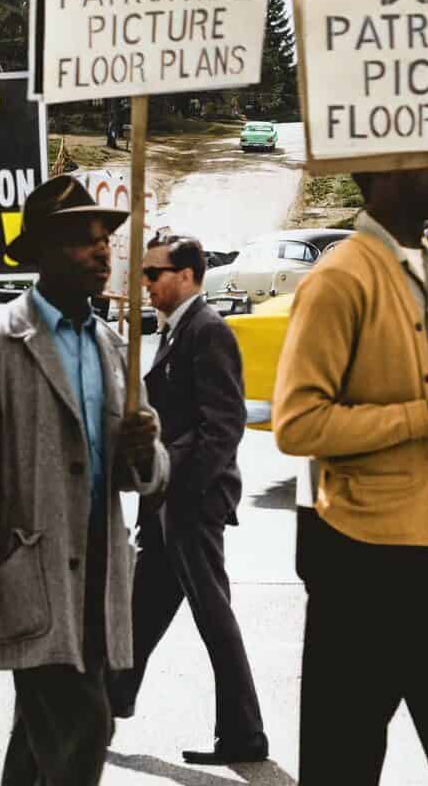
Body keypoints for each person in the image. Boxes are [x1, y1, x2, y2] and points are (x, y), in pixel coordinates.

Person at [272, 166, 428, 785]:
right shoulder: (340, 278)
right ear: (379, 174)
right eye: (424, 157)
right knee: (341, 767)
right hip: (358, 566)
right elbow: (298, 425)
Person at [0, 173, 167, 785]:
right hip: (30, 576)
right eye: (82, 241)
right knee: (83, 729)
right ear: (41, 254)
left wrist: (142, 453)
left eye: (104, 241)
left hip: (101, 577)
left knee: (40, 745)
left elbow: (147, 473)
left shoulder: (117, 348)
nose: (100, 253)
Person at [109, 232, 268, 764]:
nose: (145, 284)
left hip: (191, 501)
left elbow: (222, 427)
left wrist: (177, 482)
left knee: (212, 615)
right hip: (166, 501)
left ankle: (244, 737)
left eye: (153, 274)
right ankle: (103, 708)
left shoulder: (207, 331)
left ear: (186, 275)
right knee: (139, 609)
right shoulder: (175, 330)